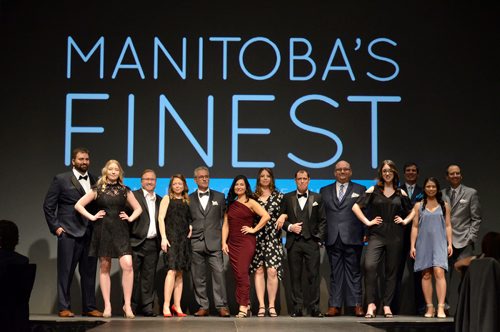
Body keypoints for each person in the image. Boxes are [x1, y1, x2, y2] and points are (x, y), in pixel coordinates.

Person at [75, 159, 142, 319]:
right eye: (111, 169)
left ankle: (127, 305)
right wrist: (92, 217)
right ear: (106, 171)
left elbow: (139, 208)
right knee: (105, 266)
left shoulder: (125, 190)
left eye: (116, 170)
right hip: (103, 229)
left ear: (119, 173)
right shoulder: (97, 189)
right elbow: (78, 205)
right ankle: (108, 305)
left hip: (120, 230)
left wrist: (131, 218)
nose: (113, 172)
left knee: (127, 264)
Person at [43, 147, 103, 318]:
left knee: (89, 273)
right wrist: (56, 228)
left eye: (87, 159)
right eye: (81, 159)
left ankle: (89, 307)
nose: (84, 162)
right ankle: (64, 307)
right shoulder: (61, 179)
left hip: (89, 233)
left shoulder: (95, 180)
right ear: (73, 161)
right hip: (68, 232)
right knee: (65, 272)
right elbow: (48, 205)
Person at [352, 160, 414, 318]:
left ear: (394, 173)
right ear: (381, 173)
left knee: (391, 271)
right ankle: (371, 304)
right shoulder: (374, 190)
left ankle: (387, 305)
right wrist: (368, 222)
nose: (387, 173)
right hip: (376, 234)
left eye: (390, 171)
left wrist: (405, 221)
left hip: (395, 235)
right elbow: (355, 207)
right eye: (385, 171)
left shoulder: (401, 193)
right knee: (370, 266)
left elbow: (415, 210)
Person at [319, 161, 365, 317]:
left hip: (353, 236)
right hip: (332, 237)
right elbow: (322, 216)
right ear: (334, 172)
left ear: (350, 172)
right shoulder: (324, 191)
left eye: (346, 169)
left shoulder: (360, 189)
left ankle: (357, 305)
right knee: (335, 273)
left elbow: (366, 213)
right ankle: (334, 305)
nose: (342, 172)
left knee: (354, 272)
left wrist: (366, 232)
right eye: (339, 170)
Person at [222, 175, 270, 318]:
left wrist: (254, 230)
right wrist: (223, 242)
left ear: (246, 187)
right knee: (238, 275)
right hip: (233, 243)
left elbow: (266, 216)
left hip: (246, 242)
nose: (239, 187)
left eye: (242, 185)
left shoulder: (251, 202)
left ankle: (242, 306)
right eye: (236, 185)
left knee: (242, 273)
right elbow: (225, 225)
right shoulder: (230, 204)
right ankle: (246, 303)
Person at [281, 169, 327, 318]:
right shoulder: (287, 198)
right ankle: (298, 308)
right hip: (294, 243)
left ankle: (314, 308)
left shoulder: (317, 198)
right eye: (299, 179)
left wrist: (318, 238)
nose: (302, 181)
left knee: (313, 276)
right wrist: (290, 227)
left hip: (311, 242)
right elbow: (282, 220)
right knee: (295, 276)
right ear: (295, 180)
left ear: (309, 180)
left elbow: (323, 221)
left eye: (304, 178)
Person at [188, 166, 230, 317]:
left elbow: (225, 219)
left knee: (219, 274)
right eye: (201, 177)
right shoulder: (189, 198)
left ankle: (221, 306)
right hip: (196, 241)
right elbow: (187, 219)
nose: (205, 179)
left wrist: (224, 240)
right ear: (195, 180)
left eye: (207, 176)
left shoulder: (219, 197)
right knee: (198, 276)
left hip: (215, 241)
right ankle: (203, 306)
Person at [410, 177, 453, 318]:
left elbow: (447, 225)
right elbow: (415, 226)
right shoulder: (419, 206)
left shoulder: (444, 205)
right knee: (426, 274)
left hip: (439, 242)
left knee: (439, 272)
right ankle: (429, 307)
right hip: (423, 243)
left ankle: (440, 307)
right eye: (428, 186)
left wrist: (450, 243)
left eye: (433, 186)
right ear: (424, 188)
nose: (431, 189)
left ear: (437, 188)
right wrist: (412, 246)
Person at [251, 168, 286, 318]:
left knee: (272, 271)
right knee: (258, 271)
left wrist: (284, 215)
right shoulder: (252, 197)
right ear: (258, 179)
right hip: (256, 238)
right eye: (262, 176)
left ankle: (271, 305)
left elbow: (288, 210)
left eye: (268, 176)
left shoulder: (280, 196)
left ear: (272, 178)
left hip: (273, 238)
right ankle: (261, 305)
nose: (265, 178)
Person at [158, 174, 193, 318]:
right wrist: (164, 238)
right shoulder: (167, 199)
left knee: (180, 273)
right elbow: (160, 218)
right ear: (171, 186)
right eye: (175, 184)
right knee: (171, 271)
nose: (177, 186)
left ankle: (177, 305)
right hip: (171, 239)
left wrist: (190, 226)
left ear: (184, 185)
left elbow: (188, 218)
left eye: (180, 184)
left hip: (184, 240)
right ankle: (166, 305)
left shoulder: (187, 200)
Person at [129, 169, 162, 317]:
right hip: (135, 242)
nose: (149, 182)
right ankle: (130, 307)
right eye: (146, 179)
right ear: (141, 181)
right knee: (133, 277)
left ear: (156, 182)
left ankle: (147, 307)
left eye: (152, 179)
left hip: (152, 244)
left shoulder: (160, 200)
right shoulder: (133, 196)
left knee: (149, 278)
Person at [394, 162, 425, 315]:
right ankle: (392, 307)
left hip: (418, 237)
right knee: (396, 272)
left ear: (417, 174)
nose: (411, 173)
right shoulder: (397, 190)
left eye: (414, 170)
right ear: (404, 173)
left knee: (419, 274)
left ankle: (421, 307)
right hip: (398, 235)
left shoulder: (424, 190)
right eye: (408, 170)